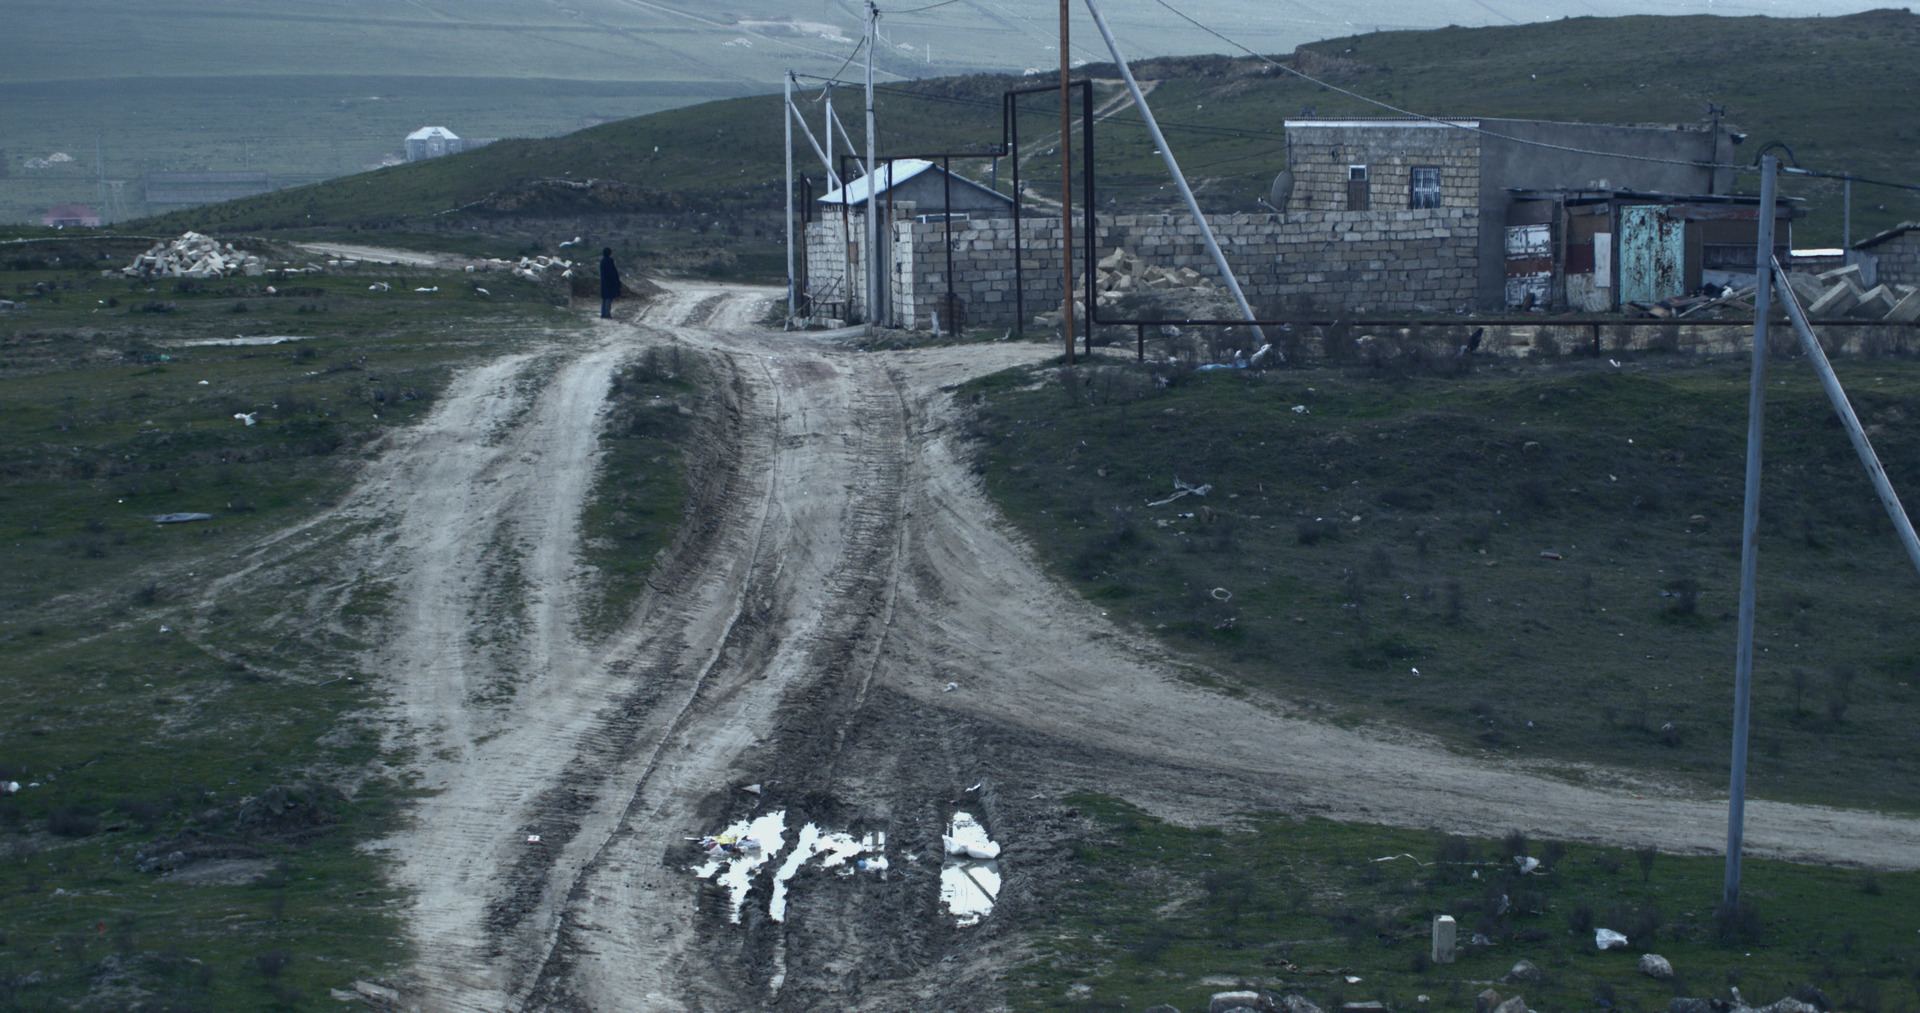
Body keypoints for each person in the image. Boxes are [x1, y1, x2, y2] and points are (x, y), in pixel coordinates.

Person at [599, 247, 622, 319]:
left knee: (604, 298)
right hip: (610, 282)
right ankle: (607, 314)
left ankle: (603, 313)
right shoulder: (609, 261)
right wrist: (616, 281)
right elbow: (612, 272)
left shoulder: (602, 261)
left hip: (604, 282)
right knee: (609, 298)